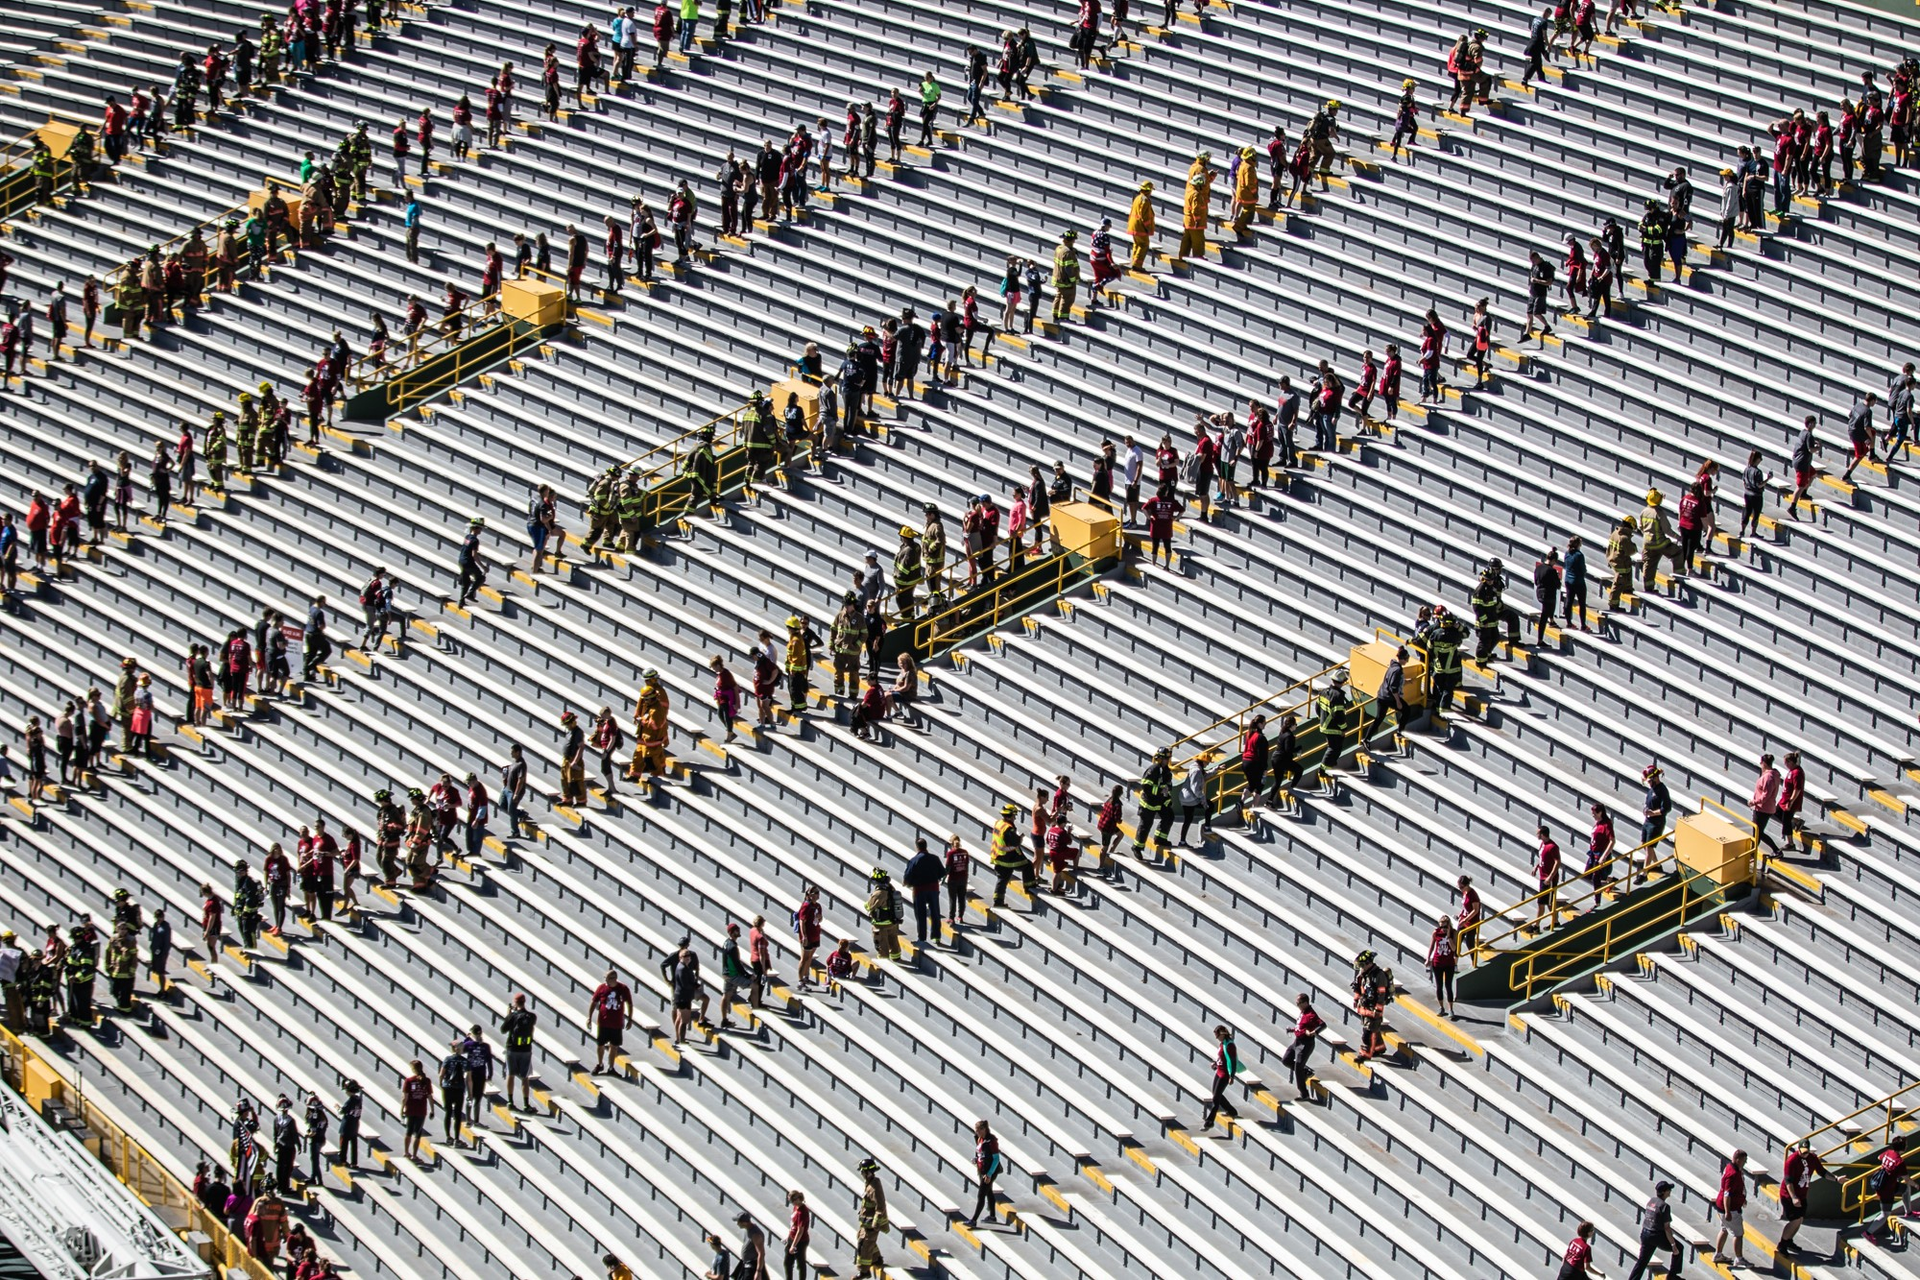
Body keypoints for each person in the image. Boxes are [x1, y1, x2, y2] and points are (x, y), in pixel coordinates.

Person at [1777, 1141, 1824, 1256]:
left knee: (1800, 1219)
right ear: (1798, 1150)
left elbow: (1822, 1172)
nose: (1804, 1155)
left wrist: (1836, 1179)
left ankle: (1789, 1240)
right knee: (1795, 1220)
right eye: (1802, 1152)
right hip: (1789, 1195)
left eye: (1806, 1152)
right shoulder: (1792, 1161)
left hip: (1802, 1195)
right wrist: (1793, 1197)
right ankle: (1782, 1244)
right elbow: (1788, 1181)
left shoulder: (1812, 1158)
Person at [1712, 1149, 1755, 1266]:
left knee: (1724, 1229)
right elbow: (1727, 1194)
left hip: (1723, 1205)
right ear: (1737, 1160)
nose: (1744, 1163)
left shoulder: (1731, 1167)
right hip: (1730, 1209)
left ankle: (1718, 1254)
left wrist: (1742, 1198)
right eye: (1744, 1161)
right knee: (1738, 1234)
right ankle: (1739, 1259)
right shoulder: (1733, 1174)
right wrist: (1728, 1212)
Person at [587, 967, 632, 1073]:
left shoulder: (623, 988)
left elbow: (629, 1003)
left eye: (606, 978)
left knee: (614, 1046)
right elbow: (594, 1002)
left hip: (616, 1023)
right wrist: (589, 1017)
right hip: (603, 1022)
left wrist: (630, 1019)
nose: (605, 981)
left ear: (613, 979)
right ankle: (600, 1064)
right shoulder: (601, 988)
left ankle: (611, 1067)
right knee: (600, 1044)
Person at [1197, 1024, 1241, 1129]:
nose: (1216, 1038)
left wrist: (1232, 1076)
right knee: (1216, 1094)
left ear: (1222, 1034)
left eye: (1217, 1035)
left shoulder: (1230, 1045)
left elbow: (1233, 1061)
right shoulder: (1223, 1044)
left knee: (1216, 1099)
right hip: (1219, 1072)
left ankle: (1210, 1121)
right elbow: (1222, 1057)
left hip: (1225, 1074)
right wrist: (1216, 1064)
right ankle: (1231, 1111)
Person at [1868, 1143, 1911, 1240]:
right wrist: (1916, 1185)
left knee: (1905, 1189)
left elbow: (1879, 1157)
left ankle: (1908, 1212)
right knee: (1885, 1214)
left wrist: (1886, 1164)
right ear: (1903, 1149)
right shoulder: (1899, 1162)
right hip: (1887, 1190)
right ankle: (1868, 1233)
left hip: (1887, 1185)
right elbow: (1907, 1179)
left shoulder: (1888, 1152)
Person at [500, 993, 536, 1109]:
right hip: (526, 1049)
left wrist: (508, 1015)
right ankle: (526, 1104)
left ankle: (510, 1101)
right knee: (525, 1077)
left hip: (512, 1048)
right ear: (524, 1002)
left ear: (515, 1002)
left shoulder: (512, 1016)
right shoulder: (532, 1016)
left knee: (510, 1074)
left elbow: (503, 1030)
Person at [853, 1158, 888, 1278]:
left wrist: (876, 1222)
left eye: (862, 1172)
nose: (861, 1174)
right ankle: (876, 1258)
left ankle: (864, 1271)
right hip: (866, 1221)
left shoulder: (874, 1187)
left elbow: (881, 1206)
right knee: (861, 1238)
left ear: (867, 1172)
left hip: (872, 1223)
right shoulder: (869, 1183)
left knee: (865, 1245)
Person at [1284, 993, 1323, 1099]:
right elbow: (1301, 1027)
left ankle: (1304, 1093)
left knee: (1298, 1067)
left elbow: (1322, 1025)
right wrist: (1292, 1029)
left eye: (1299, 1003)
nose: (1297, 1005)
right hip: (1297, 1041)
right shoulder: (1303, 1012)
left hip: (1306, 1044)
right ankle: (1305, 1072)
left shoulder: (1311, 1014)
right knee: (1286, 1060)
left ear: (1305, 1003)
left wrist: (1314, 1032)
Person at [965, 1120, 1000, 1227]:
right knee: (989, 1192)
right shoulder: (979, 1139)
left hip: (989, 1172)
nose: (977, 1132)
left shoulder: (991, 1141)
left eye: (979, 1129)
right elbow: (981, 1153)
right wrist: (976, 1159)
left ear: (984, 1129)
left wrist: (989, 1174)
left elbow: (996, 1159)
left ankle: (974, 1220)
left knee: (981, 1195)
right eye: (976, 1130)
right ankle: (992, 1216)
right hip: (982, 1170)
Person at [399, 1060, 432, 1162]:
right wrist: (432, 1110)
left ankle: (406, 1152)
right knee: (418, 1133)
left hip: (410, 1109)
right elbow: (430, 1096)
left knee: (408, 1131)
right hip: (421, 1109)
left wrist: (402, 1109)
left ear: (413, 1069)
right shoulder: (427, 1081)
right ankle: (414, 1154)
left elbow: (405, 1097)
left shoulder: (409, 1081)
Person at [1426, 914, 1458, 1016]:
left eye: (1445, 927)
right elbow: (1432, 946)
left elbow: (1454, 949)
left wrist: (1448, 936)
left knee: (1448, 986)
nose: (1443, 929)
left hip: (1449, 963)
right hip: (1438, 962)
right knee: (1439, 986)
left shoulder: (1454, 933)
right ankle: (1441, 1007)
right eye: (1441, 927)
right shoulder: (1436, 933)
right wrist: (1428, 958)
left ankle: (1451, 1009)